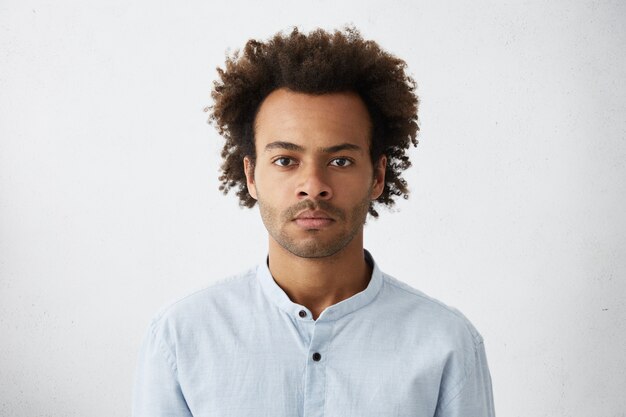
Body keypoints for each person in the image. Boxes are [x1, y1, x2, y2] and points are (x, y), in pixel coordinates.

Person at [132, 27, 495, 417]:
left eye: (340, 161)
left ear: (377, 176)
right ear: (251, 176)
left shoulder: (448, 344)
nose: (313, 187)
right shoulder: (180, 338)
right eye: (286, 160)